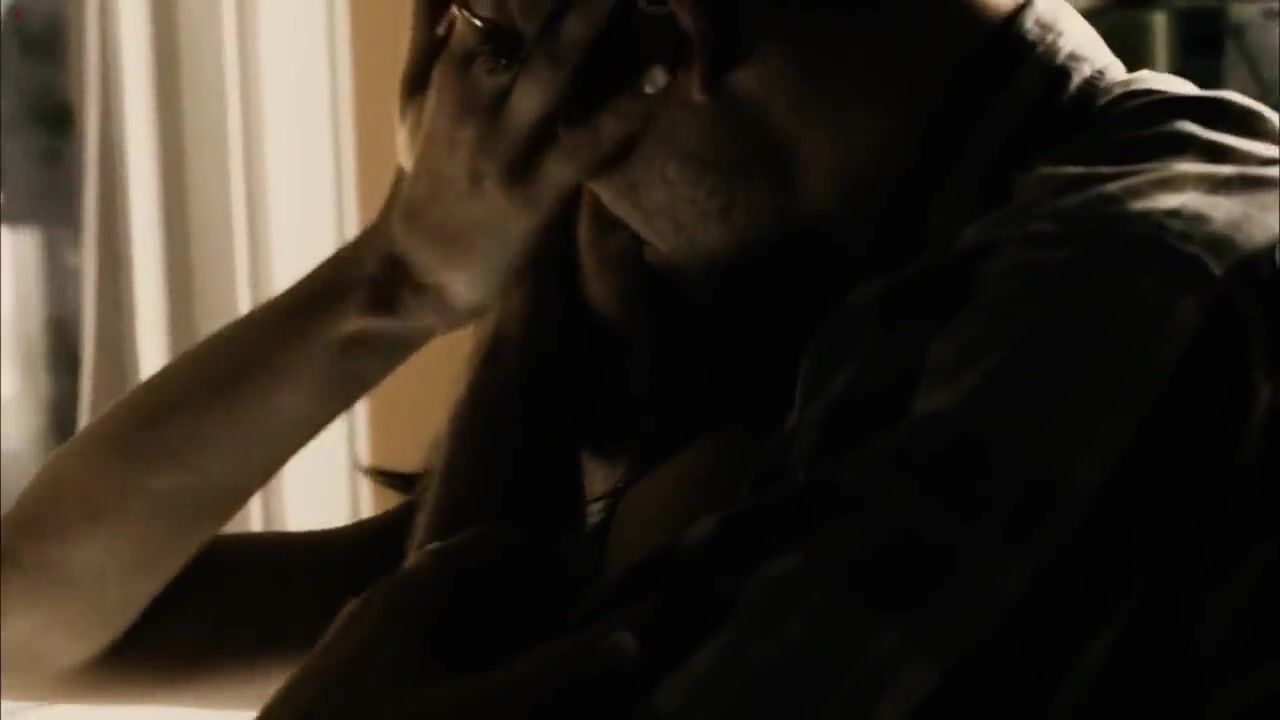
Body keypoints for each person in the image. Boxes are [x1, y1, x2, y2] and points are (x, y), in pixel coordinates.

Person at [2, 0, 1276, 716]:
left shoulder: (1102, 300)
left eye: (489, 52)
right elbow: (34, 632)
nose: (463, 150)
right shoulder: (896, 305)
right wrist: (408, 276)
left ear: (669, 37)